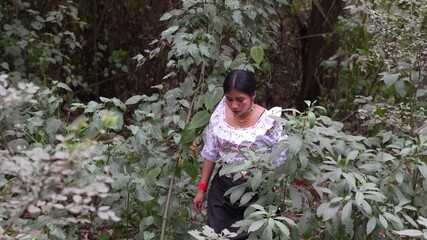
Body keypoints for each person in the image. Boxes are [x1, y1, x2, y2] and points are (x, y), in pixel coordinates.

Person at [192, 69, 287, 239]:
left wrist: (277, 194)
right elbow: (210, 153)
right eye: (229, 99)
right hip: (222, 193)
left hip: (255, 194)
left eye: (240, 100)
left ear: (253, 95)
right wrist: (201, 189)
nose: (234, 105)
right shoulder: (219, 115)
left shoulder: (269, 122)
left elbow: (279, 161)